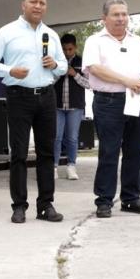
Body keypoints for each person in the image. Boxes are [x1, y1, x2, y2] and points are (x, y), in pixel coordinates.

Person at [0, 0, 67, 224]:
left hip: (47, 96)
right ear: (23, 5)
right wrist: (10, 70)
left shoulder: (51, 34)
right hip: (19, 96)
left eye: (42, 2)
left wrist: (55, 64)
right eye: (33, 2)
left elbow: (63, 65)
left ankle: (45, 205)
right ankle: (19, 206)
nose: (38, 6)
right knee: (18, 153)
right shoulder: (7, 32)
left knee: (47, 153)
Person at [82, 0, 140, 219]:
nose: (121, 18)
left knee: (136, 151)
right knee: (109, 151)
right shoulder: (95, 40)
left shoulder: (137, 40)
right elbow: (95, 69)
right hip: (109, 102)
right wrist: (126, 80)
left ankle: (131, 199)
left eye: (124, 14)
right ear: (104, 18)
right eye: (116, 14)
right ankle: (104, 200)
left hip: (137, 98)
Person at [53, 33, 88, 180]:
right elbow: (47, 81)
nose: (67, 53)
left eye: (70, 49)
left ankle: (71, 167)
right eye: (64, 50)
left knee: (72, 138)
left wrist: (74, 74)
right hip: (57, 106)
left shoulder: (83, 62)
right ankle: (53, 167)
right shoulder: (55, 62)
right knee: (56, 137)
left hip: (76, 107)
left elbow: (90, 84)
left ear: (75, 47)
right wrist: (58, 73)